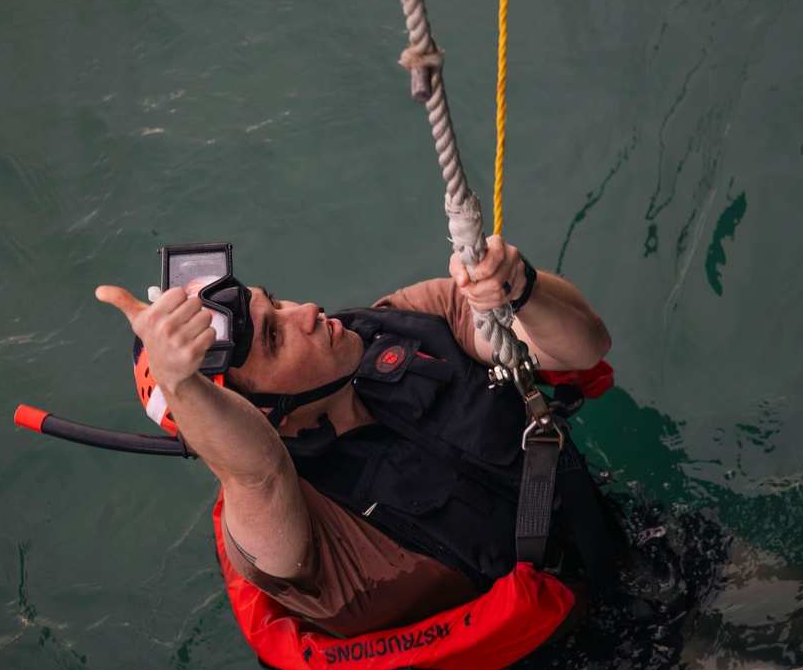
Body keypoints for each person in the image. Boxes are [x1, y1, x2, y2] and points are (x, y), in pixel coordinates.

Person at [96, 236, 611, 637]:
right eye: (276, 338)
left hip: (618, 546)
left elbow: (585, 347)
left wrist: (520, 286)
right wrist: (183, 383)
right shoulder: (291, 525)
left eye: (273, 303)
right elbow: (255, 470)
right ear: (262, 414)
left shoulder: (411, 320)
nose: (305, 311)